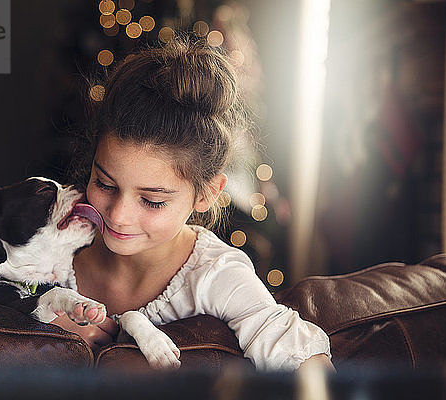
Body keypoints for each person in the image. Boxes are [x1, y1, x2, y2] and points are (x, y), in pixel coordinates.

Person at [51, 36, 333, 371]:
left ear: (207, 194)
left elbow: (300, 358)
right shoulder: (52, 233)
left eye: (152, 201)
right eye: (105, 183)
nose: (118, 215)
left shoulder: (213, 275)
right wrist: (38, 330)